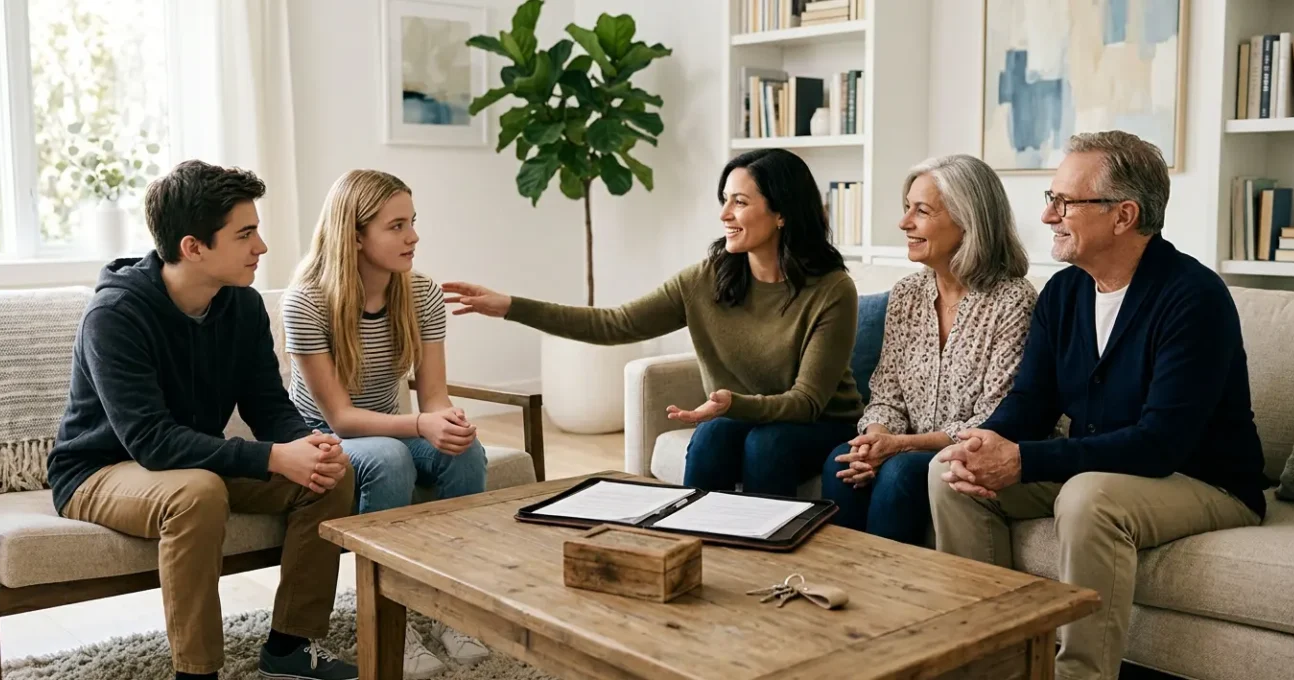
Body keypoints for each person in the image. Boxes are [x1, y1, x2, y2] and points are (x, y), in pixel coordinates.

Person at [927, 131, 1269, 680]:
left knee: (1089, 497)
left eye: (1065, 203)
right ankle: (990, 664)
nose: (1048, 217)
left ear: (1122, 215)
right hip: (1113, 468)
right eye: (1050, 199)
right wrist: (981, 444)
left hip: (1204, 479)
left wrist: (1024, 461)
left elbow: (1160, 445)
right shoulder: (1064, 295)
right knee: (950, 472)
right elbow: (1030, 404)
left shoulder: (1194, 297)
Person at [45, 160, 358, 680]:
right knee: (198, 492)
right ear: (194, 247)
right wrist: (275, 457)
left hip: (191, 462)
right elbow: (151, 441)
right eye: (245, 234)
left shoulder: (242, 305)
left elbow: (267, 404)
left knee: (328, 478)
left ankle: (288, 648)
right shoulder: (115, 316)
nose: (261, 247)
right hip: (99, 471)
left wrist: (308, 445)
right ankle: (197, 672)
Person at [443, 148, 863, 495]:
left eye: (740, 201)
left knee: (767, 444)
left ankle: (766, 558)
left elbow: (806, 402)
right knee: (715, 437)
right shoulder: (705, 279)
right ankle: (692, 545)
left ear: (782, 214)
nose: (724, 214)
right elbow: (615, 323)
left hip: (816, 424)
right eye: (724, 199)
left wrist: (733, 404)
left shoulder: (831, 290)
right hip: (742, 416)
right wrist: (511, 306)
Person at [283, 168, 490, 675]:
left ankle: (448, 609)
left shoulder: (420, 294)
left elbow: (434, 396)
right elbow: (341, 418)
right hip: (327, 438)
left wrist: (450, 423)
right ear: (355, 235)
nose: (413, 236)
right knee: (388, 458)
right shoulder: (306, 302)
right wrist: (421, 426)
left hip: (384, 426)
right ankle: (389, 622)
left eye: (412, 222)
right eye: (396, 225)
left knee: (466, 451)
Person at [820, 154, 1036, 545]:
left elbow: (993, 419)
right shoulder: (906, 294)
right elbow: (886, 394)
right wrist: (874, 439)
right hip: (906, 446)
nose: (905, 223)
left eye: (921, 211)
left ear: (968, 220)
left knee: (901, 472)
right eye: (907, 209)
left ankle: (890, 599)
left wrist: (898, 446)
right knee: (843, 461)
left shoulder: (1013, 300)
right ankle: (842, 587)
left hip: (970, 452)